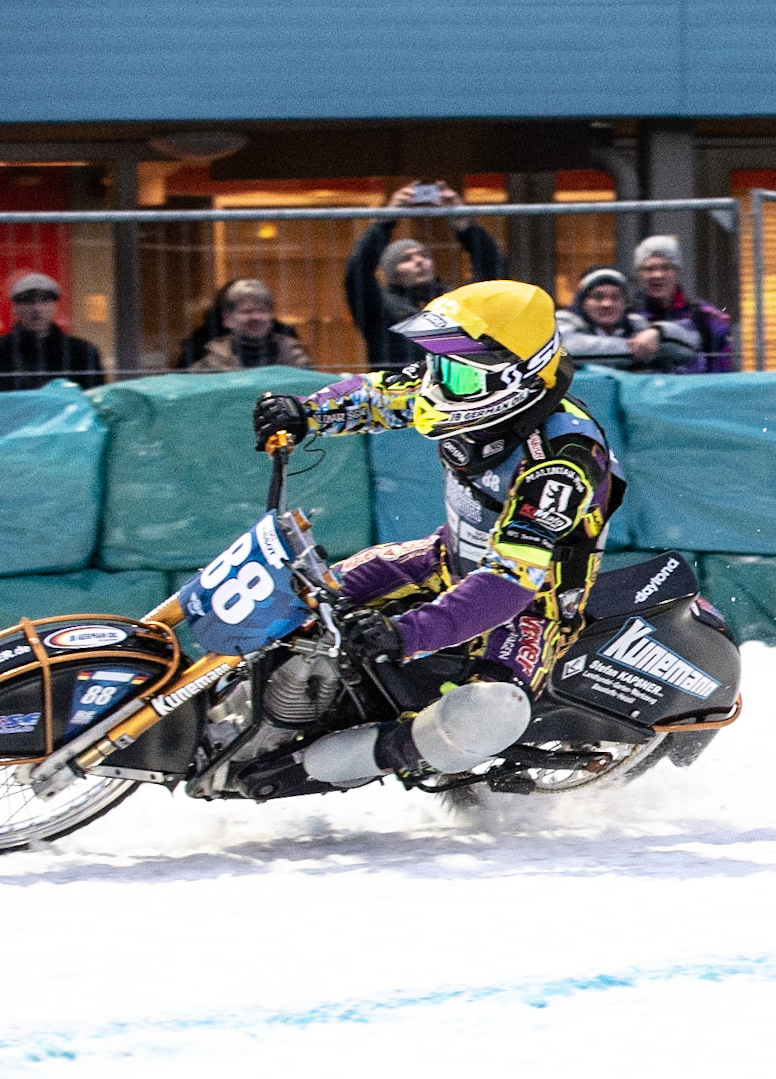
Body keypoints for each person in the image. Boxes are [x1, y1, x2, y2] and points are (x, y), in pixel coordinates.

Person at [246, 280, 621, 792]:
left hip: (530, 606)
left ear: (515, 376)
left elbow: (510, 583)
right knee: (309, 592)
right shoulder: (462, 391)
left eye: (457, 371)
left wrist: (407, 634)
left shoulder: (562, 462)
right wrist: (306, 411)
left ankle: (359, 759)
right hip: (445, 558)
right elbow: (383, 393)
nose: (437, 383)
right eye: (438, 364)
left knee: (489, 709)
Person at [345, 181, 507, 370]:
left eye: (424, 255)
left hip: (451, 392)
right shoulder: (380, 308)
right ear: (391, 271)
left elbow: (492, 272)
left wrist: (466, 226)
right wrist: (385, 221)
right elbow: (357, 273)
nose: (419, 261)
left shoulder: (452, 300)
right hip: (398, 391)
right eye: (406, 258)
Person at [0, 273, 106, 392]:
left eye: (44, 301)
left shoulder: (82, 352)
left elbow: (96, 402)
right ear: (15, 308)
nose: (37, 309)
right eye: (28, 302)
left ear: (55, 306)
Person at [555, 266, 700, 372]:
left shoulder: (635, 323)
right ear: (583, 302)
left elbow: (691, 343)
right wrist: (635, 348)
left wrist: (659, 332)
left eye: (615, 297)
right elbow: (568, 347)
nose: (607, 304)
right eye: (598, 297)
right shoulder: (565, 320)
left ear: (625, 302)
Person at [630, 235, 734, 373]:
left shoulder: (706, 319)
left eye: (666, 267)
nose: (658, 275)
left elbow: (722, 378)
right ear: (640, 274)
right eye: (649, 269)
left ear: (676, 271)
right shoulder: (626, 318)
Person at [173, 279, 304, 369]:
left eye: (262, 310)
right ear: (227, 319)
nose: (255, 317)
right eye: (246, 311)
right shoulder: (212, 360)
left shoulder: (293, 354)